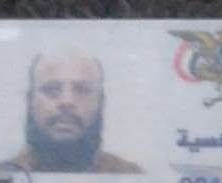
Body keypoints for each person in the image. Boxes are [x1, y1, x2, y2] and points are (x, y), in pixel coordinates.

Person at [10, 52, 142, 174]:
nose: (66, 102)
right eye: (52, 89)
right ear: (30, 101)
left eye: (81, 90)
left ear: (100, 102)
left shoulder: (131, 177)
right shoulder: (3, 177)